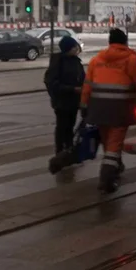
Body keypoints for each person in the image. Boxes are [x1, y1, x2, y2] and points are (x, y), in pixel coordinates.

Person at [81, 29, 136, 193]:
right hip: (120, 108)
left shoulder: (96, 60)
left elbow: (87, 86)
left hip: (98, 108)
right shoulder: (131, 60)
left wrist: (84, 106)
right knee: (114, 143)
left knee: (107, 140)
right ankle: (106, 179)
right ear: (125, 42)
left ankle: (116, 165)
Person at [46, 36, 85, 173]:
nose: (76, 48)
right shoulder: (58, 62)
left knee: (70, 127)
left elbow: (83, 78)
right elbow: (52, 83)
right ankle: (60, 152)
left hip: (74, 101)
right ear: (68, 48)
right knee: (62, 127)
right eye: (74, 46)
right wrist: (72, 89)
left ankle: (68, 154)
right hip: (62, 101)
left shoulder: (76, 62)